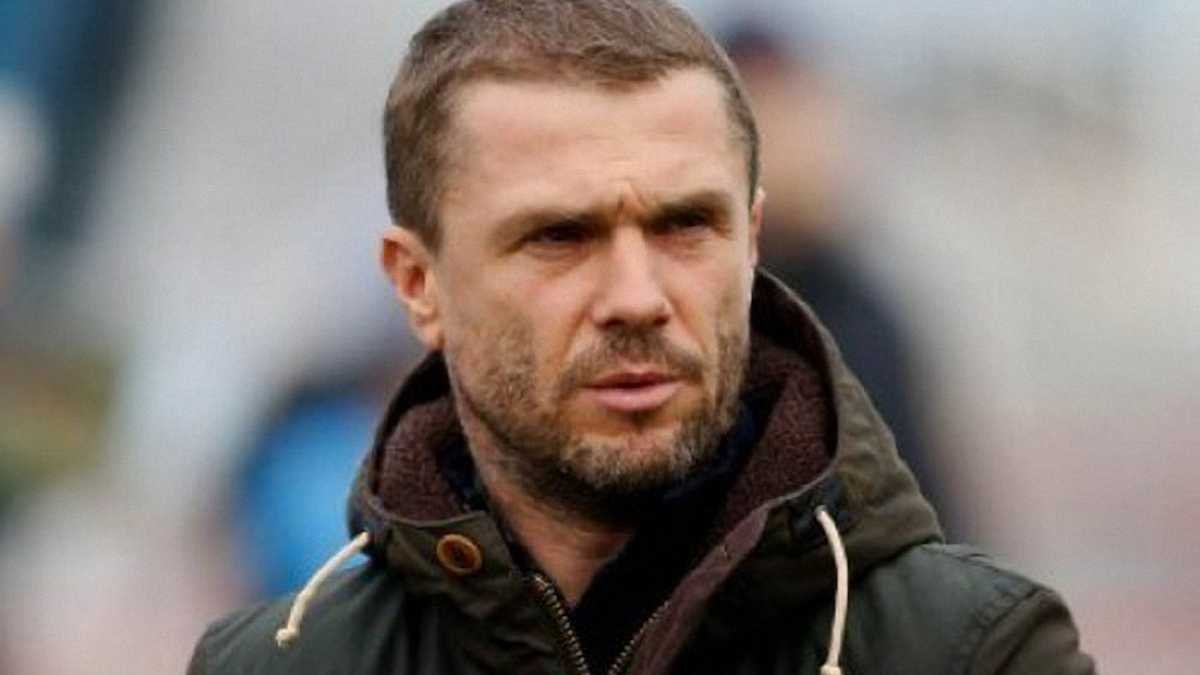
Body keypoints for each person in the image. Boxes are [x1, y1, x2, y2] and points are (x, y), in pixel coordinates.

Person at [188, 2, 1095, 674]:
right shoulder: (277, 664)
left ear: (751, 243)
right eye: (559, 236)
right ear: (418, 285)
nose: (636, 297)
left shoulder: (976, 651)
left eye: (686, 225)